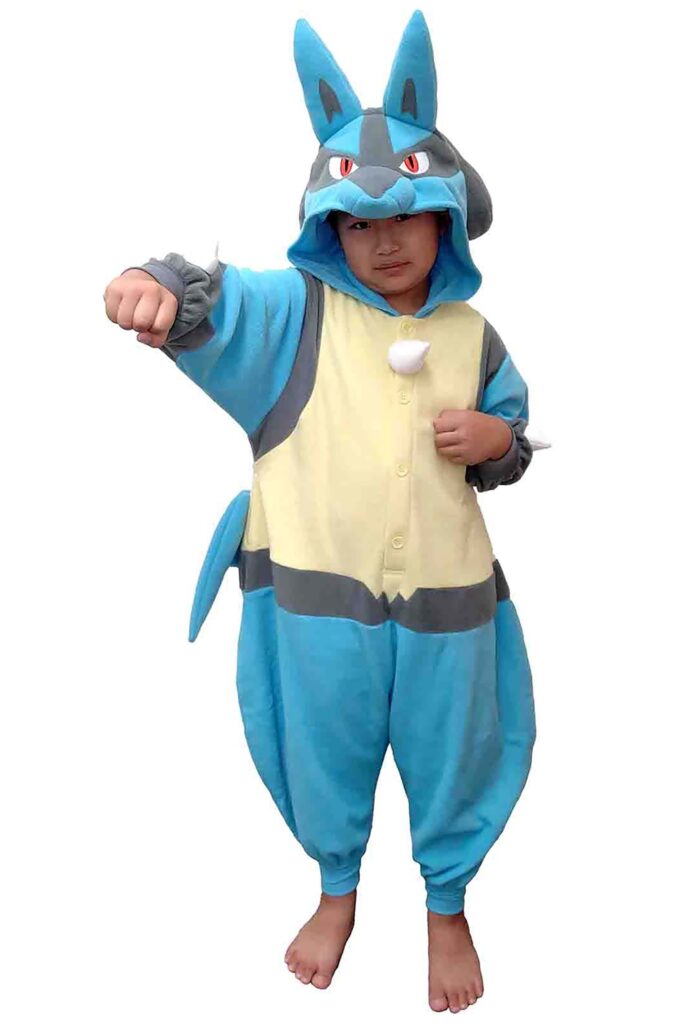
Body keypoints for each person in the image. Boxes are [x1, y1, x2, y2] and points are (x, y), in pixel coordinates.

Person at [103, 10, 538, 1014]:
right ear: (327, 229)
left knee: (460, 745)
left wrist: (496, 441)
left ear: (447, 217)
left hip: (448, 601)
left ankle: (446, 901)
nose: (385, 240)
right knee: (319, 743)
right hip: (313, 599)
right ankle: (337, 885)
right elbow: (212, 300)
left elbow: (512, 441)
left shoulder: (473, 333)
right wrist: (152, 283)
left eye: (408, 216)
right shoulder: (294, 317)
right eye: (358, 222)